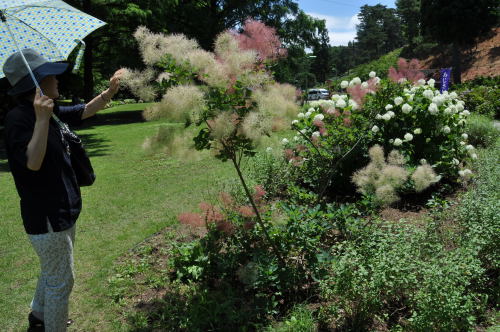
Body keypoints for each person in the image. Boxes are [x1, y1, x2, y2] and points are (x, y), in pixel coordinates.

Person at [2, 48, 123, 332]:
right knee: (61, 281)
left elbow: (83, 111)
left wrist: (110, 92)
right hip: (47, 217)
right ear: (37, 83)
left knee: (52, 271)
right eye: (51, 76)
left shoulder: (51, 111)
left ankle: (39, 317)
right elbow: (32, 162)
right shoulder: (20, 119)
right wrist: (41, 120)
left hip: (63, 210)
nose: (58, 80)